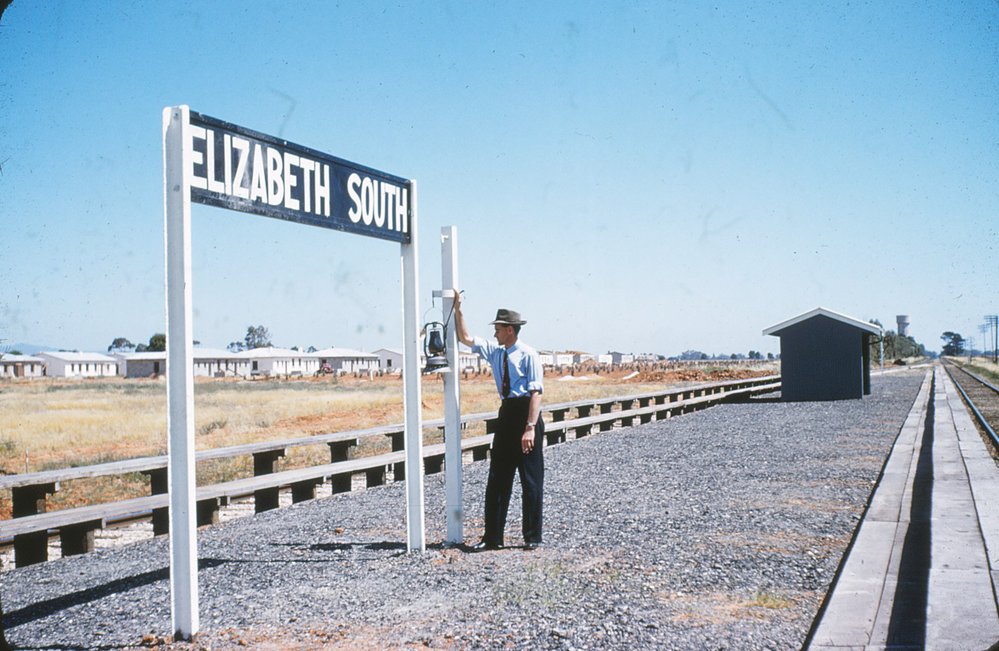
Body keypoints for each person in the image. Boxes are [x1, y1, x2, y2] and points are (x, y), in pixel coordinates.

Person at [453, 291, 545, 551]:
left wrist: (529, 428)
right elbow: (465, 338)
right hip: (506, 415)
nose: (494, 333)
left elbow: (536, 393)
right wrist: (458, 310)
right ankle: (492, 537)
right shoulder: (496, 352)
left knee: (530, 480)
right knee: (497, 479)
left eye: (498, 329)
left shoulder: (529, 355)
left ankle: (532, 537)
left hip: (526, 414)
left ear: (509, 330)